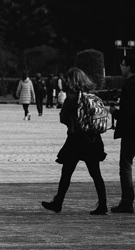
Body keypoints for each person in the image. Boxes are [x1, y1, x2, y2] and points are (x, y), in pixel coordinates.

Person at [42, 68, 109, 214]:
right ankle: (103, 204)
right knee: (96, 173)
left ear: (72, 81)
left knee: (66, 173)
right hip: (92, 139)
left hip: (76, 140)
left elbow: (63, 117)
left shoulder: (72, 98)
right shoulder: (92, 96)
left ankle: (58, 202)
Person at [112, 72, 133, 214]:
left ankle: (127, 202)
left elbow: (129, 113)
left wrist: (115, 112)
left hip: (131, 132)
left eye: (123, 64)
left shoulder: (129, 85)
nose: (121, 67)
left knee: (125, 166)